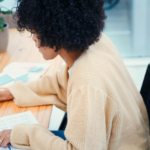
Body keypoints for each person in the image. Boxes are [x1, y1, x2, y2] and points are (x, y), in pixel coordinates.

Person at [0, 0, 149, 149]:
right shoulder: (98, 44)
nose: (33, 38)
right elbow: (60, 81)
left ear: (54, 32)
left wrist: (23, 133)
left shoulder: (87, 83)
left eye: (35, 31)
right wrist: (12, 92)